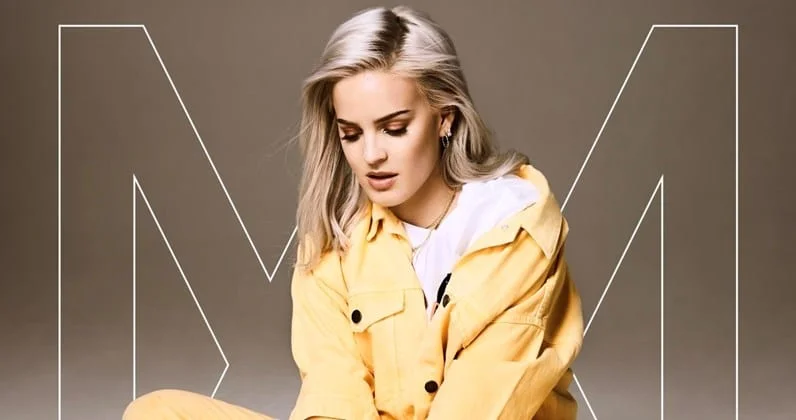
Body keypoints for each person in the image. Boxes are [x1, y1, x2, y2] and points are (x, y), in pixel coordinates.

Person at [122, 5, 583, 420]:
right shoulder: (334, 244)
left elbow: (483, 401)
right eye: (351, 134)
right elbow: (334, 393)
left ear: (445, 117)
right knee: (155, 413)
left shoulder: (515, 227)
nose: (371, 155)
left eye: (394, 128)